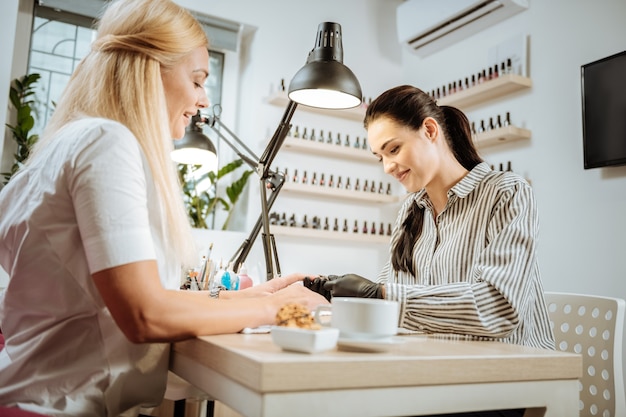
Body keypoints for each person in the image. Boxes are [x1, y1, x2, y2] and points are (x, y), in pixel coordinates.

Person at [0, 0, 327, 416]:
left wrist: (255, 294)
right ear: (149, 69)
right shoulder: (106, 142)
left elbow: (137, 299)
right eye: (196, 80)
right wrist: (278, 308)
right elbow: (144, 315)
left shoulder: (60, 147)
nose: (203, 101)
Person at [304, 85, 555, 415]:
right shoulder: (411, 210)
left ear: (430, 130)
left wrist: (380, 295)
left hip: (504, 382)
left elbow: (498, 307)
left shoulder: (506, 193)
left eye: (393, 149)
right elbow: (391, 299)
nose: (387, 167)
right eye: (380, 157)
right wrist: (336, 299)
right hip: (437, 373)